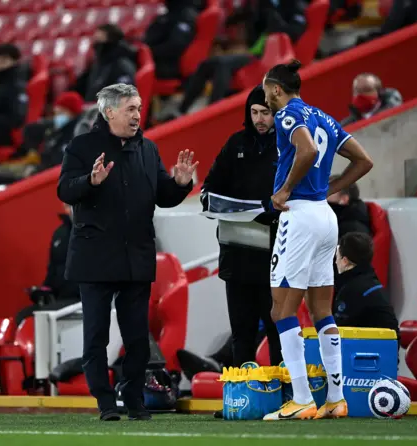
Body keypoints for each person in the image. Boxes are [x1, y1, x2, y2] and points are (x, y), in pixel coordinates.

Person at [57, 83, 198, 421]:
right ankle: (106, 402)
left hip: (136, 256)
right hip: (95, 257)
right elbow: (65, 188)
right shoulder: (81, 147)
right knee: (96, 337)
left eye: (138, 108)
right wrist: (89, 182)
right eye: (131, 109)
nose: (138, 115)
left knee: (137, 337)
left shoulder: (148, 150)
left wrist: (180, 184)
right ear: (109, 113)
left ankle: (134, 399)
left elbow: (163, 195)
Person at [261, 60, 373, 420]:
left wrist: (285, 189)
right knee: (321, 309)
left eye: (266, 92)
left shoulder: (288, 115)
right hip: (326, 218)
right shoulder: (323, 115)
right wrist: (329, 190)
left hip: (299, 215)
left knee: (282, 310)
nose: (266, 98)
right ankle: (336, 400)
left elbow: (306, 150)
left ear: (276, 89)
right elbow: (363, 160)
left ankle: (301, 398)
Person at [200, 85, 282, 367]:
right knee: (241, 333)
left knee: (277, 332)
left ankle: (286, 396)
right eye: (255, 112)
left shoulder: (289, 145)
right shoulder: (236, 144)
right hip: (236, 254)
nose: (259, 119)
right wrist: (209, 201)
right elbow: (210, 186)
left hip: (274, 255)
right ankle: (242, 400)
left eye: (266, 113)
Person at [15, 203, 80, 327]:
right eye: (66, 205)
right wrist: (43, 291)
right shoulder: (59, 234)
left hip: (81, 301)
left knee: (42, 316)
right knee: (23, 316)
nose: (68, 209)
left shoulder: (97, 231)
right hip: (60, 299)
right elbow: (52, 274)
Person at [334, 232, 399, 342]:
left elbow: (338, 330)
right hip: (388, 351)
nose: (335, 262)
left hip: (369, 352)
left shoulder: (351, 290)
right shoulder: (372, 283)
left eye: (337, 257)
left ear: (345, 261)